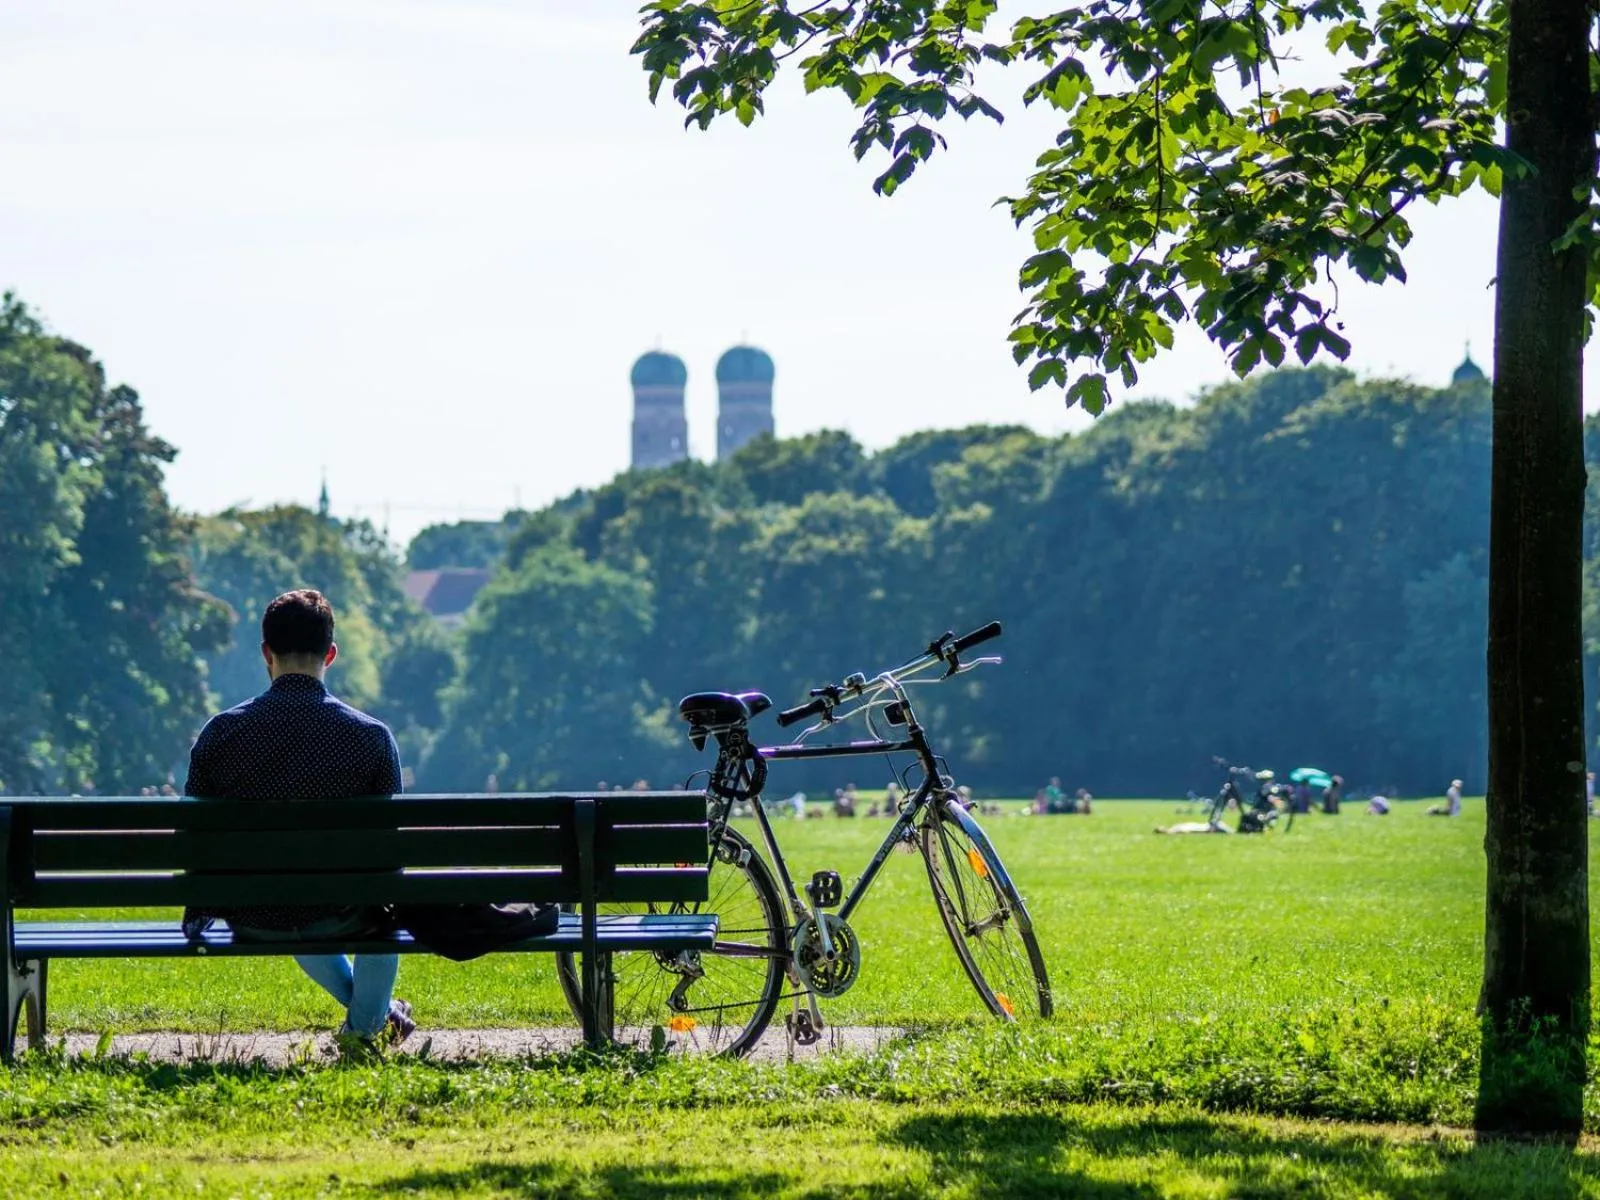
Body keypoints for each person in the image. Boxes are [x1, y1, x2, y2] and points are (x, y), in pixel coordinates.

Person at [182, 589, 413, 1057]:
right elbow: (386, 855)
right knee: (379, 901)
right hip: (336, 910)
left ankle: (372, 1024)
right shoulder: (371, 738)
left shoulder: (221, 733)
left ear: (267, 653)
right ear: (331, 654)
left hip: (250, 914)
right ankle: (365, 1032)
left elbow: (192, 840)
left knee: (295, 900)